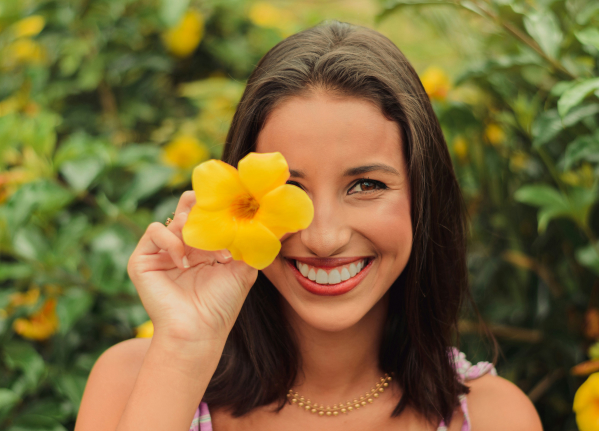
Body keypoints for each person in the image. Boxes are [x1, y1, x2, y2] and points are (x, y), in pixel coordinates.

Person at [75, 20, 543, 431]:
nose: (323, 238)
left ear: (424, 197)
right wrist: (185, 347)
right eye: (290, 190)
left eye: (365, 185)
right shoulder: (133, 381)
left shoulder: (493, 418)